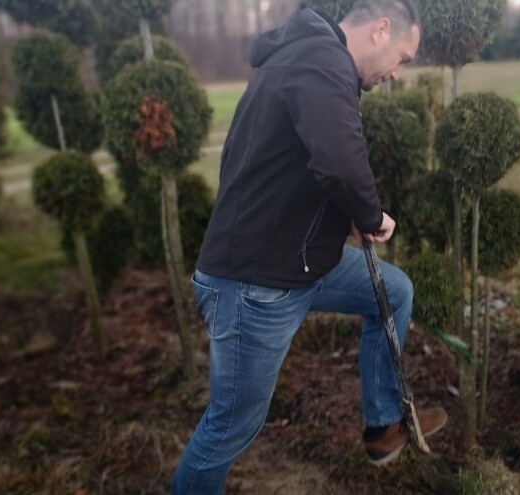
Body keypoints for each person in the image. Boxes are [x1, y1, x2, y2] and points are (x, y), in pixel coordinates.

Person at [171, 1, 448, 492]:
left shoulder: (312, 60)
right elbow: (339, 163)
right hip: (254, 285)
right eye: (404, 59)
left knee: (394, 292)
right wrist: (370, 215)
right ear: (381, 31)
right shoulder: (321, 61)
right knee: (230, 428)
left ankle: (384, 426)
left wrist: (348, 221)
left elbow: (310, 160)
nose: (398, 74)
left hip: (298, 264)